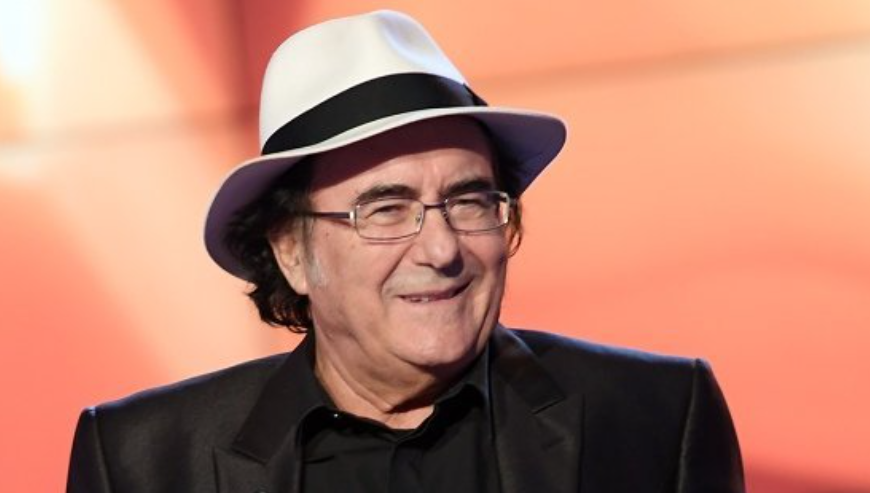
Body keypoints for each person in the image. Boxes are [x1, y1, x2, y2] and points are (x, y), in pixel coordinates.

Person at [67, 10, 744, 493]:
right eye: (386, 209)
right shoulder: (145, 462)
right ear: (292, 252)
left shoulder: (656, 416)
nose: (442, 247)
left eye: (469, 200)